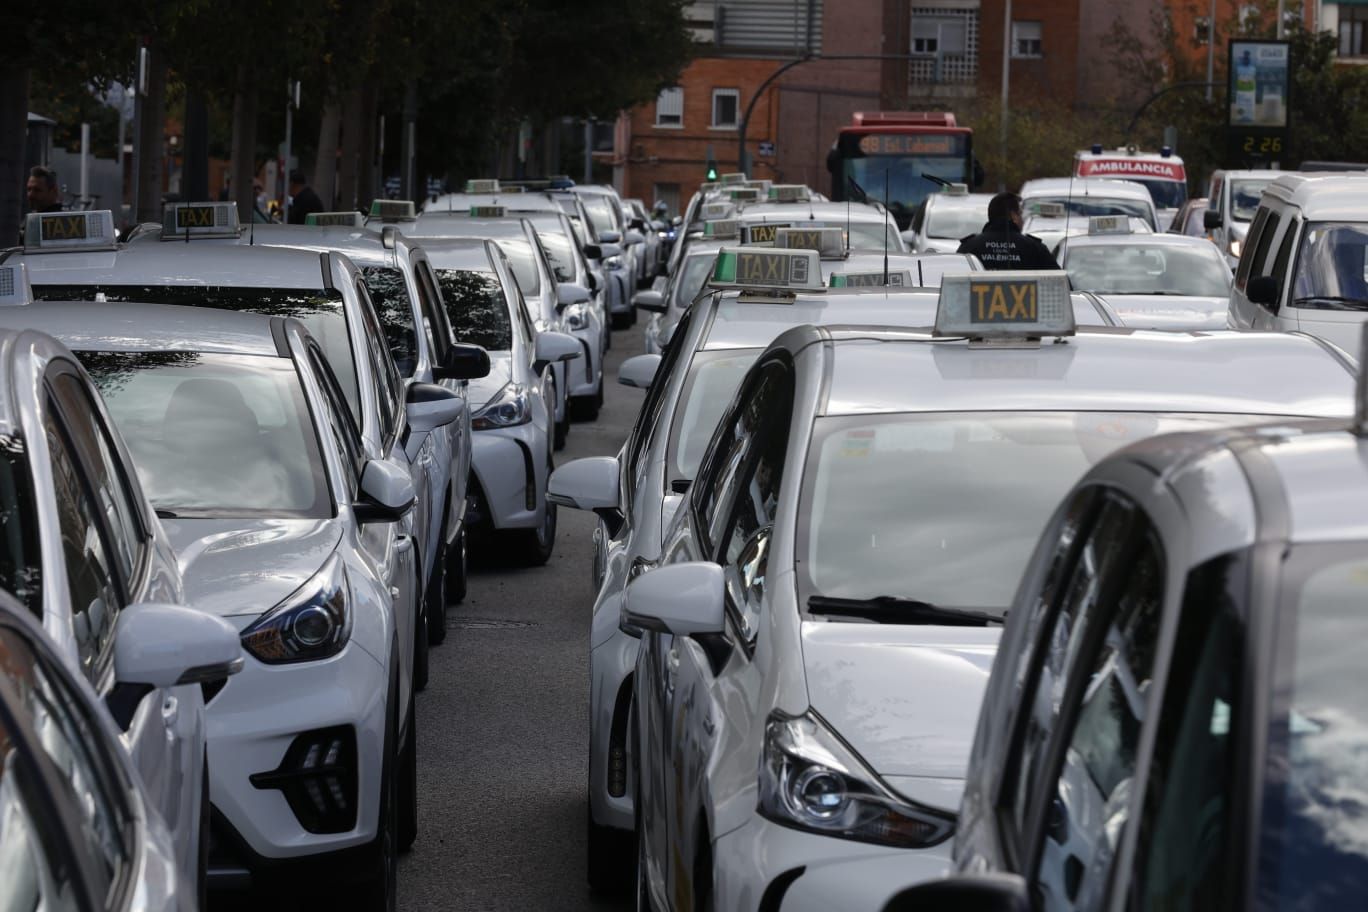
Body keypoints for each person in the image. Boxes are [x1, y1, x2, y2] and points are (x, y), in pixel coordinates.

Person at [957, 191, 1057, 270]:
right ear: (1014, 216)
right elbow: (1062, 285)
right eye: (1020, 214)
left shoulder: (968, 248)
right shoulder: (1034, 248)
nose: (1022, 219)